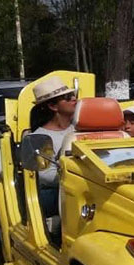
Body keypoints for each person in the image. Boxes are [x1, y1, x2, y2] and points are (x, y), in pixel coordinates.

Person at [30, 76, 77, 217]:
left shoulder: (82, 129)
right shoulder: (38, 137)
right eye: (67, 97)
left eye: (73, 94)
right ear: (53, 106)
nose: (74, 99)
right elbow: (45, 175)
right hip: (57, 192)